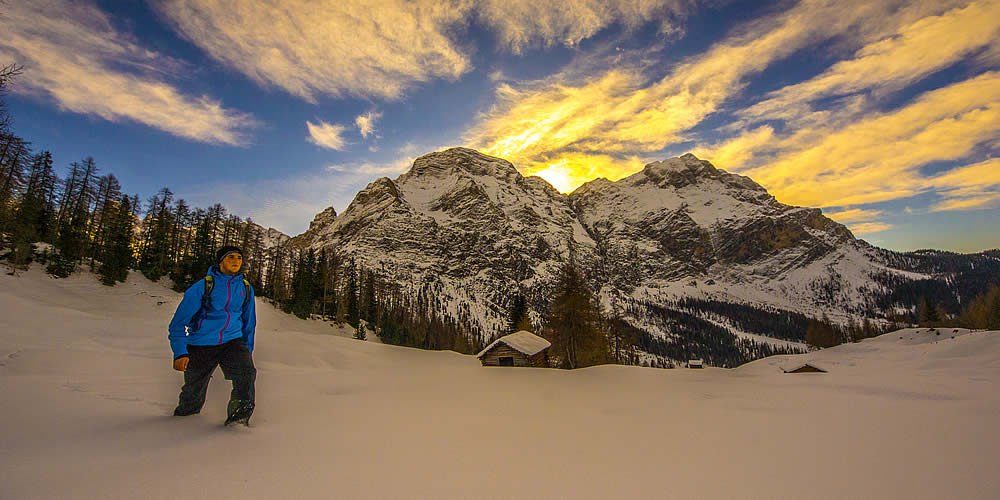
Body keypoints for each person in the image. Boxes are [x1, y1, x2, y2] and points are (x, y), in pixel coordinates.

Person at [168, 245, 257, 425]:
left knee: (246, 374)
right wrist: (180, 352)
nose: (236, 261)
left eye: (239, 258)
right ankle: (181, 424)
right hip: (202, 343)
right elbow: (178, 323)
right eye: (231, 257)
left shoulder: (245, 288)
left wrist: (247, 349)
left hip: (233, 341)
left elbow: (249, 323)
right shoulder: (203, 287)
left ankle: (238, 423)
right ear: (221, 261)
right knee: (193, 390)